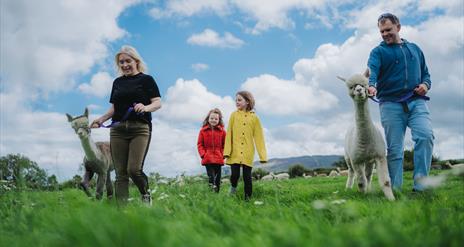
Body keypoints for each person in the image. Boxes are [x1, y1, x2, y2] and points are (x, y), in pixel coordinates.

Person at [367, 13, 434, 192]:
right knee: (395, 150)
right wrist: (371, 86)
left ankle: (421, 188)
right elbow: (372, 71)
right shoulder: (378, 52)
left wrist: (425, 85)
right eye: (381, 31)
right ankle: (395, 192)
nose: (385, 34)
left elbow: (426, 74)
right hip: (390, 105)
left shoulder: (415, 49)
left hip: (416, 101)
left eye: (388, 30)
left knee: (425, 137)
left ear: (398, 27)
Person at [90, 45, 161, 204]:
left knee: (134, 170)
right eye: (121, 62)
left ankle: (145, 194)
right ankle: (122, 212)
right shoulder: (117, 82)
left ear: (136, 61)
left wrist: (145, 107)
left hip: (140, 129)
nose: (124, 65)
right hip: (118, 130)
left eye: (127, 61)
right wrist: (101, 119)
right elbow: (114, 108)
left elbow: (157, 103)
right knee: (121, 174)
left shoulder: (146, 80)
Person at [224, 91, 267, 200]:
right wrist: (227, 152)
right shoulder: (233, 115)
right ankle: (233, 188)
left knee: (247, 177)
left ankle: (247, 200)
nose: (236, 102)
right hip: (235, 151)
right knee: (235, 175)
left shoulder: (255, 118)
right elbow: (229, 133)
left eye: (239, 100)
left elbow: (259, 137)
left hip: (248, 151)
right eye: (236, 100)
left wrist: (263, 156)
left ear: (247, 101)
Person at [197, 108, 227, 193]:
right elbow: (200, 144)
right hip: (208, 158)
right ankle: (211, 193)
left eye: (216, 119)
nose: (213, 120)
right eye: (212, 118)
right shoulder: (203, 131)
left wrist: (223, 154)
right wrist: (203, 154)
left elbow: (225, 144)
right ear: (208, 119)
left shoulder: (223, 132)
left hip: (218, 158)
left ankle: (216, 194)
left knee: (218, 178)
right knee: (211, 177)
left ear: (219, 120)